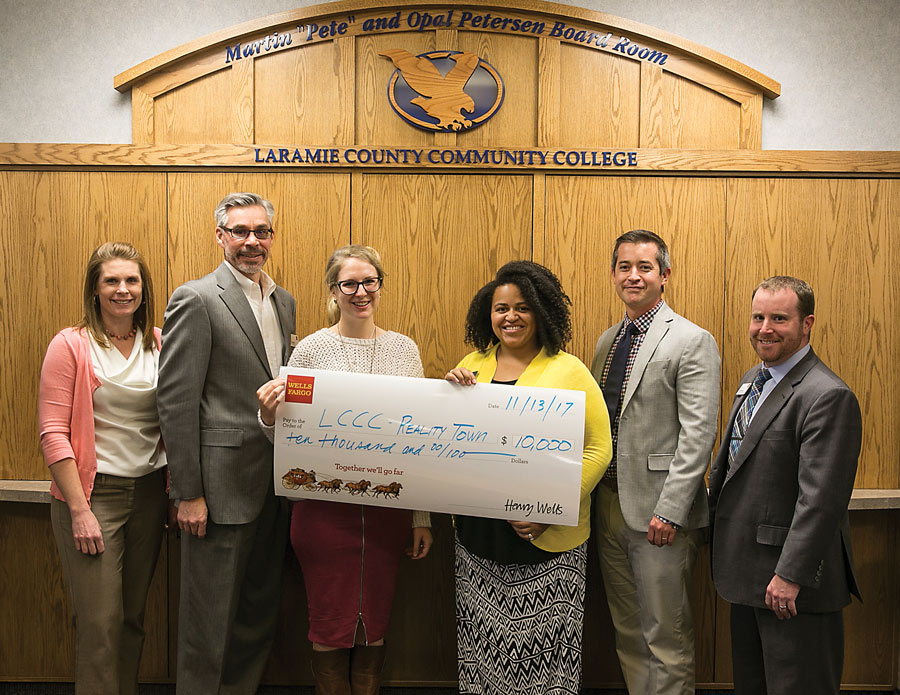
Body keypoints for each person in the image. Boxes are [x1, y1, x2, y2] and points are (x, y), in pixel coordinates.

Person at [257, 244, 432, 695]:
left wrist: (420, 517)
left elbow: (418, 444)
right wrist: (270, 416)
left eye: (369, 281)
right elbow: (288, 443)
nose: (360, 292)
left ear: (380, 285)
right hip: (322, 513)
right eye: (349, 283)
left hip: (388, 514)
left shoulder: (403, 350)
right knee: (328, 623)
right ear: (333, 291)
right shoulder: (311, 350)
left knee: (375, 623)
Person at [445, 260, 611, 695]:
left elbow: (598, 448)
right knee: (483, 651)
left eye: (522, 307)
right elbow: (448, 441)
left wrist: (548, 510)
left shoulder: (569, 369)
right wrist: (447, 395)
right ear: (489, 314)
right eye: (501, 308)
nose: (511, 317)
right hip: (478, 540)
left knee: (546, 660)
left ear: (541, 312)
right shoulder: (471, 366)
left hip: (546, 541)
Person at [158, 193, 296, 695]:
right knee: (207, 626)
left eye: (261, 231)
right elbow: (176, 404)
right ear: (220, 236)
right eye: (240, 231)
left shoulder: (284, 301)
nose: (252, 241)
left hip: (275, 488)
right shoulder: (195, 298)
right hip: (216, 493)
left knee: (256, 619)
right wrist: (187, 493)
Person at [708, 276, 861, 694]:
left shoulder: (827, 395)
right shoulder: (752, 381)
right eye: (758, 317)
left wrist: (790, 575)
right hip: (747, 576)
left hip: (791, 586)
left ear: (807, 323)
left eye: (779, 318)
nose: (765, 328)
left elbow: (821, 500)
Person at [591, 229, 720, 695]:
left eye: (644, 267)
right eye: (624, 266)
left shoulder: (691, 340)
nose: (633, 275)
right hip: (607, 507)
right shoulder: (608, 341)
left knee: (666, 634)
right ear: (613, 274)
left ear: (664, 275)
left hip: (658, 516)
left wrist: (670, 509)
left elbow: (699, 434)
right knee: (628, 632)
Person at [39, 241, 168, 695]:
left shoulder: (159, 341)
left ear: (143, 288)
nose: (122, 289)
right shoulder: (71, 344)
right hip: (94, 497)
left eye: (131, 280)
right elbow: (52, 432)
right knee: (100, 624)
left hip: (151, 494)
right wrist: (79, 509)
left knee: (132, 619)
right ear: (95, 289)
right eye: (111, 280)